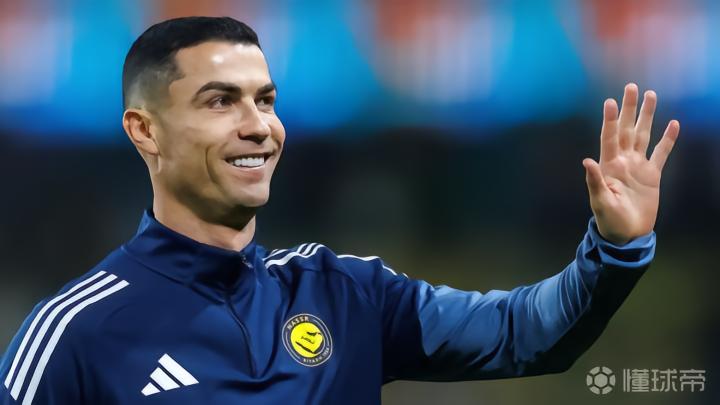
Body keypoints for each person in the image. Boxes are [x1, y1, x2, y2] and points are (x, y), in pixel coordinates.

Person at [0, 16, 679, 405]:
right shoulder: (73, 333)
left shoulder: (344, 291)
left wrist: (613, 250)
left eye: (265, 100)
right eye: (220, 101)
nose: (258, 126)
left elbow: (524, 332)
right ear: (145, 130)